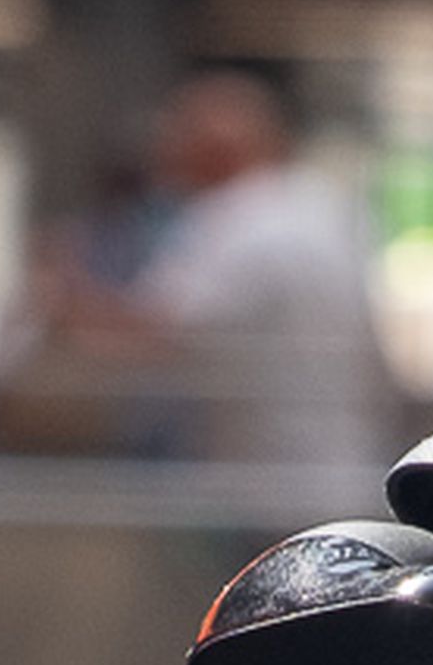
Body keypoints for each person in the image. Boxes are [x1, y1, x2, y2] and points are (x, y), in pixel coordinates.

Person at [43, 66, 395, 489]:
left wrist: (63, 289)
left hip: (270, 479)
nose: (163, 151)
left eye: (177, 135)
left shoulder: (235, 220)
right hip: (344, 464)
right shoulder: (319, 206)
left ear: (215, 148)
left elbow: (151, 335)